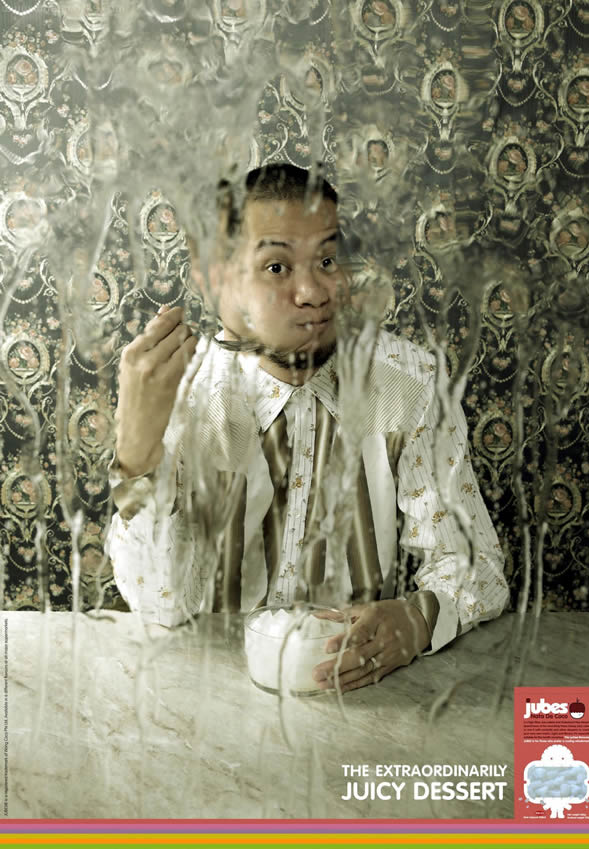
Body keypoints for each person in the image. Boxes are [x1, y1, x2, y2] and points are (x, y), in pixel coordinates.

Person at [105, 162, 509, 694]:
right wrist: (138, 454)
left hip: (370, 696)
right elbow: (161, 603)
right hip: (208, 693)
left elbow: (475, 563)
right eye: (276, 267)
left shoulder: (407, 381)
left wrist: (418, 618)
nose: (314, 292)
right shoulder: (178, 391)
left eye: (327, 260)